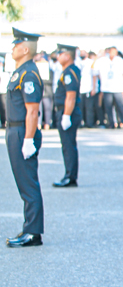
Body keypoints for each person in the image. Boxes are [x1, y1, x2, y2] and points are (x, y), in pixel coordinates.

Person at [5, 28, 45, 248]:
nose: (13, 48)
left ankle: (33, 232)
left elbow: (32, 110)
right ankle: (29, 227)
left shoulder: (28, 73)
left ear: (26, 49)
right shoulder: (20, 71)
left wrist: (28, 139)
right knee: (24, 183)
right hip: (15, 130)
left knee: (28, 183)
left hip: (22, 132)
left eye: (17, 44)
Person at [52, 44, 82, 188]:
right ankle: (69, 175)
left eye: (60, 54)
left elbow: (71, 96)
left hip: (67, 112)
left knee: (68, 146)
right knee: (68, 145)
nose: (58, 56)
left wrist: (66, 115)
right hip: (66, 111)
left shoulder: (70, 72)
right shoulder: (69, 70)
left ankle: (70, 177)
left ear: (68, 56)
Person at [97, 47, 123, 128]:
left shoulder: (120, 61)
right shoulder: (103, 60)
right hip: (106, 88)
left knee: (121, 106)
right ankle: (111, 123)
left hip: (117, 88)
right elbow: (96, 70)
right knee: (108, 108)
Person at [78, 51, 98, 128]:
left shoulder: (90, 62)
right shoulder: (77, 62)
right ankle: (80, 123)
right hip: (80, 89)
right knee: (80, 107)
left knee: (89, 107)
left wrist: (93, 88)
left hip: (88, 88)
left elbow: (94, 75)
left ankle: (89, 123)